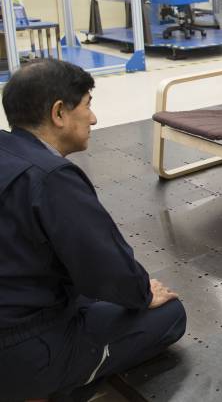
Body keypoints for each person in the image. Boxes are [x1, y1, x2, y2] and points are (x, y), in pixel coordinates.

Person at [0, 60, 186, 401]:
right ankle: (46, 389)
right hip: (21, 351)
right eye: (87, 104)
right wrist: (143, 293)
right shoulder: (52, 178)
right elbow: (105, 266)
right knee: (170, 315)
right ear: (59, 113)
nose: (94, 118)